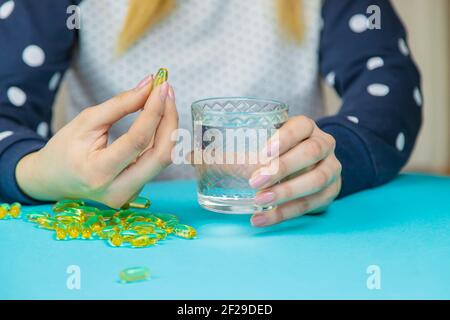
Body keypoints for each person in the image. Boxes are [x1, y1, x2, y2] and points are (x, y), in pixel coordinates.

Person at [0, 0, 422, 227]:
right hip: (115, 231)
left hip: (280, 229)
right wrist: (35, 172)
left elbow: (390, 92)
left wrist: (325, 158)